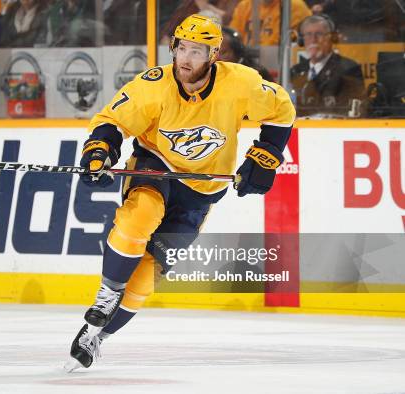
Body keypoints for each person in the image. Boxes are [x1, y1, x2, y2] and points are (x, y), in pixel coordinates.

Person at [65, 14, 295, 370]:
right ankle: (107, 294)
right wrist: (99, 151)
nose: (185, 58)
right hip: (156, 164)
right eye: (181, 47)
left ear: (213, 55)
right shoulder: (153, 85)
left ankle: (97, 337)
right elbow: (112, 121)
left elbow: (283, 110)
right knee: (140, 215)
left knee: (145, 277)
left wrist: (266, 156)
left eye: (196, 51)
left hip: (203, 188)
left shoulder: (241, 83)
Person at [290, 14, 364, 117]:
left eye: (319, 34)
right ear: (302, 40)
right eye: (308, 34)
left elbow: (348, 112)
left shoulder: (348, 68)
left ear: (332, 38)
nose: (313, 39)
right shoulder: (295, 71)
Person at [229, 0, 311, 45]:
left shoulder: (294, 6)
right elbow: (232, 38)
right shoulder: (244, 6)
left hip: (281, 65)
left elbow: (284, 44)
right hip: (245, 63)